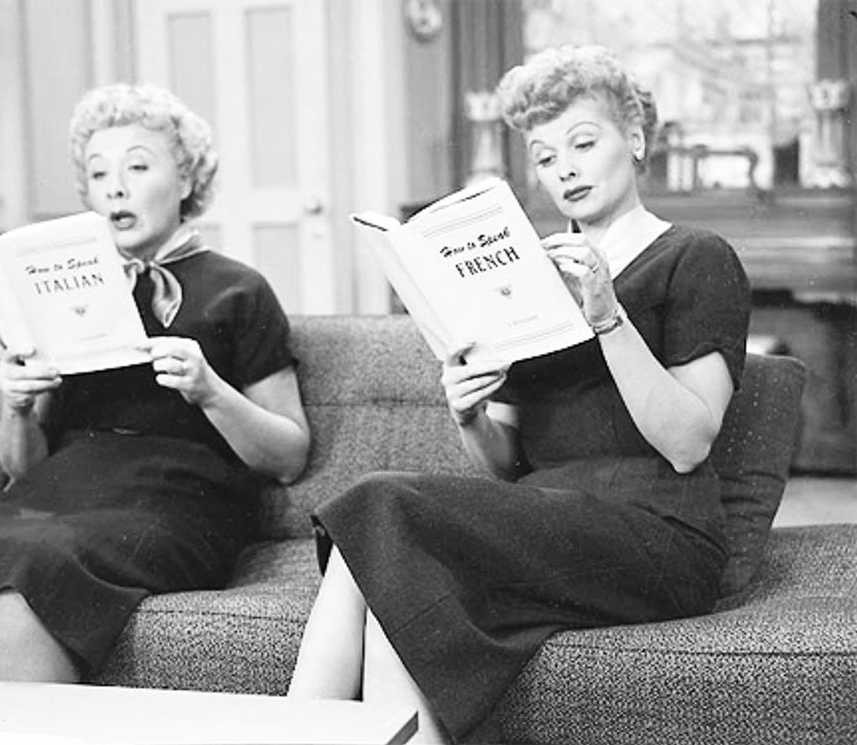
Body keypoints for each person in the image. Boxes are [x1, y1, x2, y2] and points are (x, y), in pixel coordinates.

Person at [287, 44, 750, 744]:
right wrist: (468, 411)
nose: (565, 168)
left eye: (583, 144)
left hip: (657, 530)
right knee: (394, 587)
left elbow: (688, 442)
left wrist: (608, 318)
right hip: (545, 519)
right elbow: (504, 468)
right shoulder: (523, 275)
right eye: (545, 156)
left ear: (635, 139)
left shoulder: (695, 255)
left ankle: (289, 731)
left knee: (379, 505)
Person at [0, 83, 311, 682]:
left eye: (138, 166)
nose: (116, 187)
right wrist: (17, 405)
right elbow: (21, 466)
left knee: (28, 588)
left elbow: (289, 456)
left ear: (186, 180)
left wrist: (210, 390)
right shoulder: (60, 290)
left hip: (177, 497)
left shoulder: (239, 289)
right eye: (99, 173)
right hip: (60, 487)